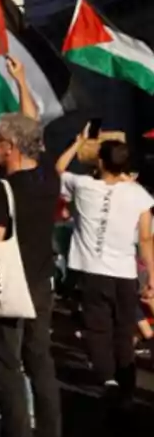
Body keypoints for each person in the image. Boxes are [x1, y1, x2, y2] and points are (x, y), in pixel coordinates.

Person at [0, 106, 63, 437]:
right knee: (41, 363)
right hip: (42, 282)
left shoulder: (3, 190)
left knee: (7, 369)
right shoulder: (48, 178)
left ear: (10, 146)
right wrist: (22, 85)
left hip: (10, 287)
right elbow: (35, 131)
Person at [57, 130, 154, 409]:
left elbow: (58, 169)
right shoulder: (140, 195)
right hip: (124, 272)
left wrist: (77, 143)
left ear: (99, 162)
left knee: (98, 329)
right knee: (124, 330)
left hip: (92, 270)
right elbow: (145, 238)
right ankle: (127, 387)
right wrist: (152, 276)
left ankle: (108, 379)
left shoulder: (83, 185)